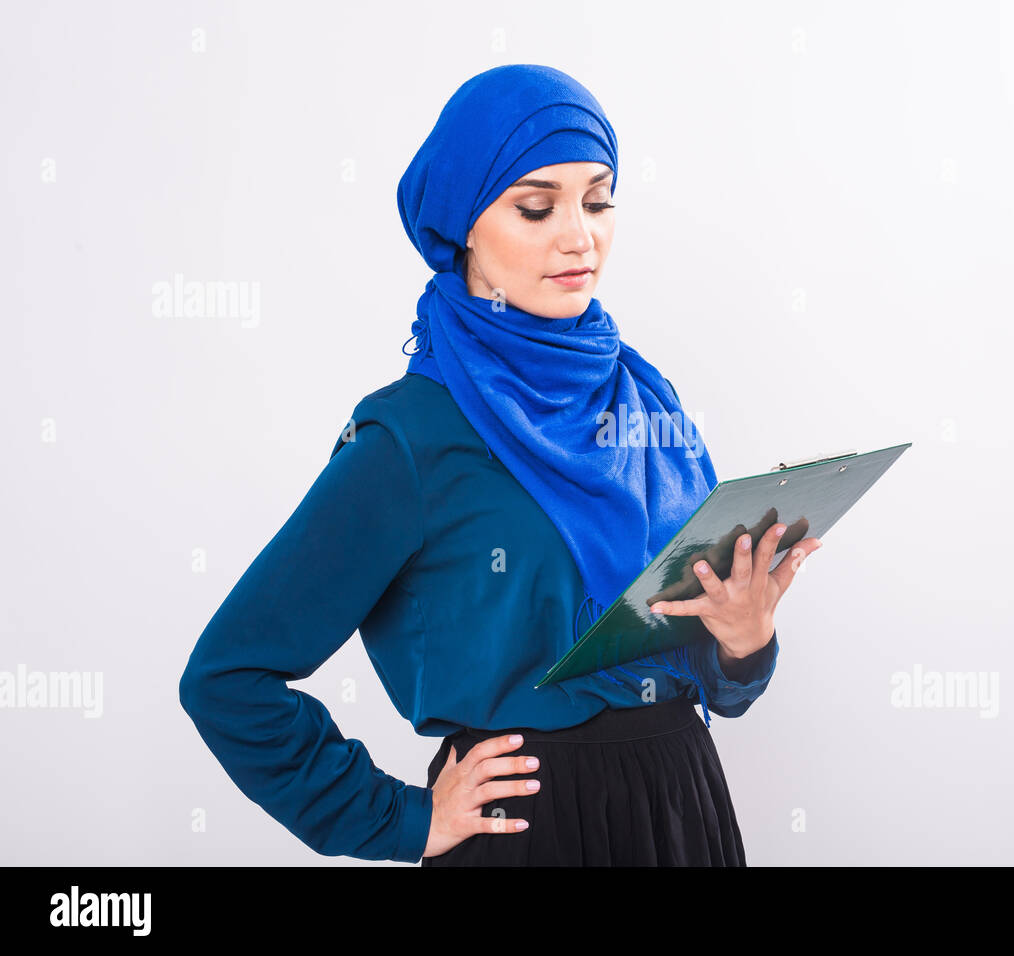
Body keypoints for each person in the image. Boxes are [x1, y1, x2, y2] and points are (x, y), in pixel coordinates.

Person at [178, 63, 821, 867]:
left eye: (597, 200)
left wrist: (743, 639)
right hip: (526, 831)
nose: (579, 235)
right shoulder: (409, 437)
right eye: (535, 206)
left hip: (682, 810)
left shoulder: (645, 402)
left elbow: (715, 680)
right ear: (463, 225)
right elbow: (228, 679)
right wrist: (398, 819)